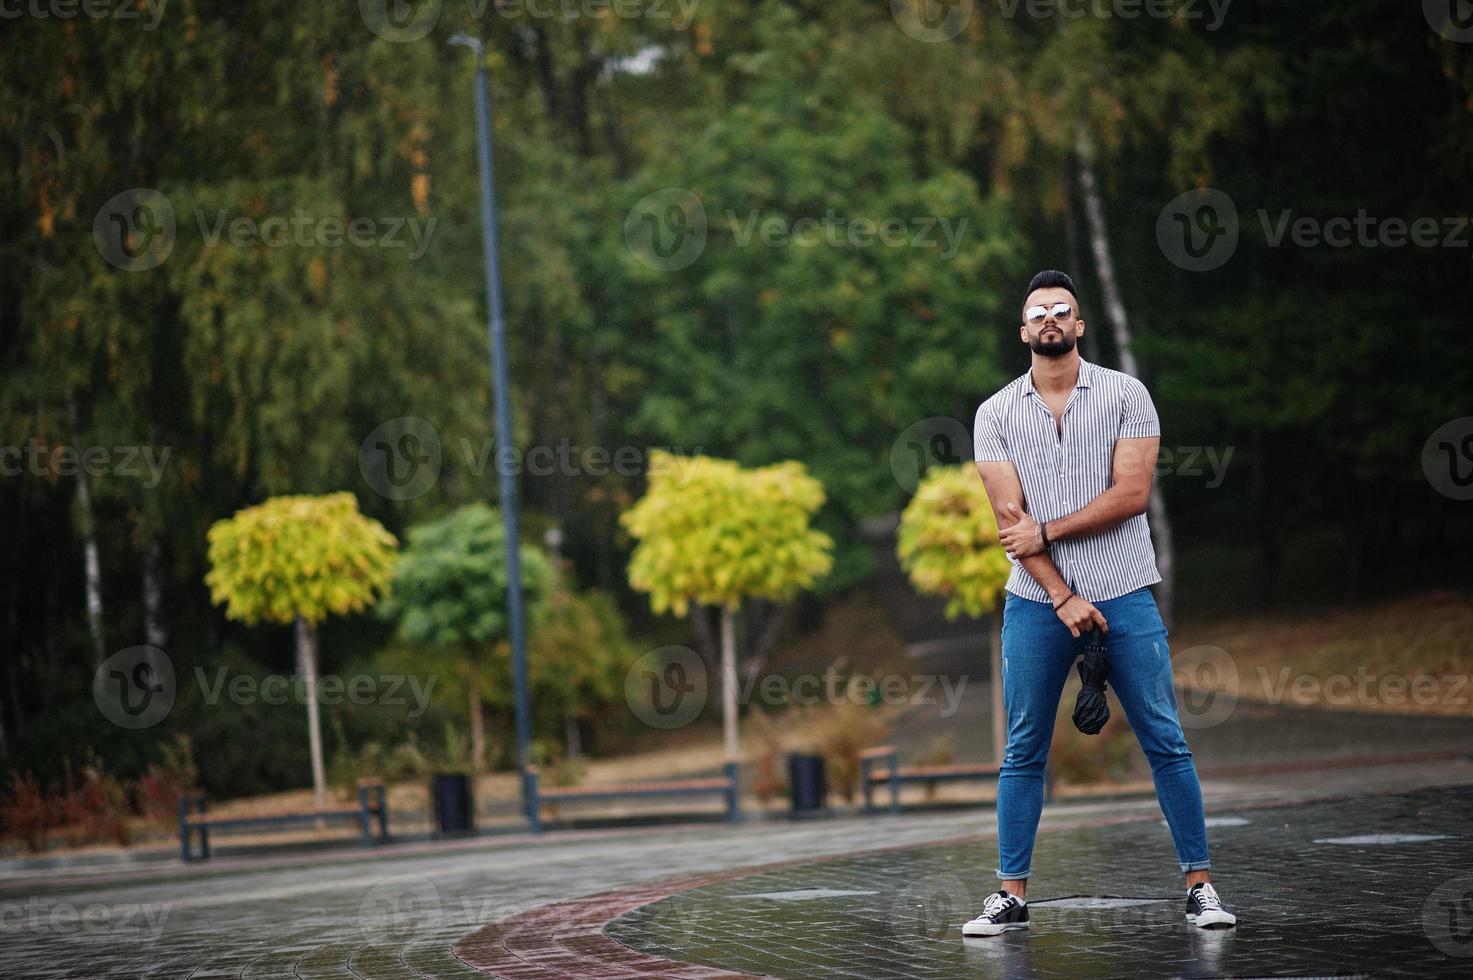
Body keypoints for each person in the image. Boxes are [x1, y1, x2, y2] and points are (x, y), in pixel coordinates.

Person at [960, 270, 1236, 937]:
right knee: (1023, 747)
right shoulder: (993, 414)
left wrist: (1049, 531)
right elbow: (1009, 525)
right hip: (1034, 603)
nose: (1049, 320)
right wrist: (1060, 597)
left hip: (1125, 593)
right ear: (1022, 330)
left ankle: (1199, 886)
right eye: (1037, 313)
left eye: (1061, 311)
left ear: (1079, 325)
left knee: (1164, 740)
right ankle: (1009, 895)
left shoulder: (1125, 395)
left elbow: (1129, 494)